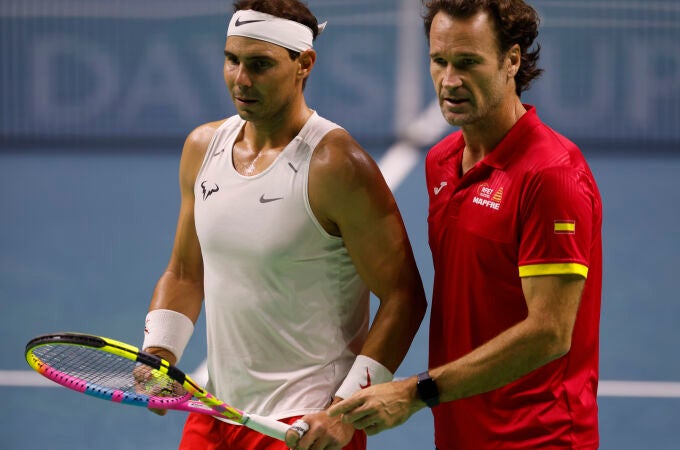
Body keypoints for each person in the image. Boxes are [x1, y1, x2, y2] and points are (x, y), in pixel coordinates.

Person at [140, 1, 427, 449]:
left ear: (303, 64)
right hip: (216, 412)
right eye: (232, 60)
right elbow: (184, 272)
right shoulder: (202, 148)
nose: (241, 79)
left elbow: (404, 296)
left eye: (260, 65)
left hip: (305, 426)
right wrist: (160, 351)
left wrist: (345, 410)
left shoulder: (337, 166)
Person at [327, 1, 603, 449]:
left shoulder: (551, 174)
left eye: (469, 63)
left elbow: (550, 332)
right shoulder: (442, 162)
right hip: (460, 431)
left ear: (512, 60)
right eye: (440, 61)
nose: (450, 81)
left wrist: (415, 392)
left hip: (538, 437)